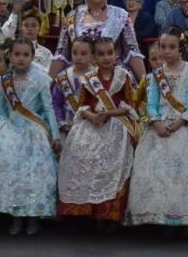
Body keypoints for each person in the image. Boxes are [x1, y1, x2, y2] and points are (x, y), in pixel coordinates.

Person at [127, 27, 188, 231]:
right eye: (163, 47)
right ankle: (158, 215)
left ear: (181, 48)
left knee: (187, 170)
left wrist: (181, 121)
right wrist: (156, 122)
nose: (166, 51)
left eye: (172, 47)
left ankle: (187, 218)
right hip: (160, 124)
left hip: (185, 125)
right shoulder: (156, 75)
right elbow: (151, 103)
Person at [0, 39, 60, 236]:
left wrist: (55, 136)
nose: (21, 58)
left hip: (33, 131)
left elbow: (48, 109)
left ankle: (33, 217)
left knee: (32, 176)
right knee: (11, 175)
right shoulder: (4, 81)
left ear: (32, 56)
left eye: (26, 55)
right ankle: (15, 216)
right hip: (9, 128)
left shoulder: (40, 80)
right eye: (17, 55)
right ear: (10, 57)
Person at [60, 37, 141, 229]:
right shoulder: (88, 79)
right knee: (82, 155)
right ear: (94, 58)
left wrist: (108, 113)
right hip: (93, 123)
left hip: (116, 123)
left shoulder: (124, 76)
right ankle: (87, 212)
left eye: (110, 53)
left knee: (112, 162)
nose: (106, 57)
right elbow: (82, 106)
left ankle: (109, 214)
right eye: (101, 54)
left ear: (116, 54)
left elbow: (131, 105)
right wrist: (91, 116)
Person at [50, 0, 146, 80]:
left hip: (114, 78)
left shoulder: (121, 15)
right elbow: (61, 55)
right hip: (79, 78)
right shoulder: (71, 17)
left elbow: (132, 52)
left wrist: (145, 85)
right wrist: (47, 85)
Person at [51, 36, 95, 142]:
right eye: (75, 53)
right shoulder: (63, 77)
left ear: (92, 57)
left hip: (91, 127)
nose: (78, 57)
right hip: (68, 127)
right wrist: (62, 123)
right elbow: (56, 102)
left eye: (83, 54)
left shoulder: (96, 77)